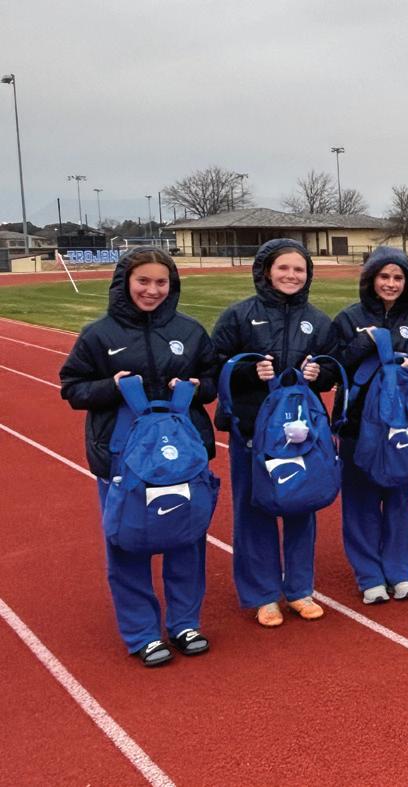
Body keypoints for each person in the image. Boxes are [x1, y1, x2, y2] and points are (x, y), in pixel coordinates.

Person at [60, 248, 218, 667]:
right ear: (124, 283)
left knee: (186, 539)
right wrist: (110, 386)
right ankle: (142, 633)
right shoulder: (99, 335)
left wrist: (195, 386)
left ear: (172, 285)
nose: (152, 290)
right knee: (127, 543)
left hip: (183, 456)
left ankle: (185, 623)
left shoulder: (189, 330)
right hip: (122, 458)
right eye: (143, 281)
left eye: (161, 282)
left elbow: (212, 382)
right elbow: (72, 388)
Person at [212, 239, 337, 627]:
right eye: (283, 268)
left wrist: (321, 373)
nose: (291, 275)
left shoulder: (318, 321)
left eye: (299, 269)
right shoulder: (239, 316)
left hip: (302, 432)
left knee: (301, 506)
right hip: (252, 429)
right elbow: (214, 367)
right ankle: (263, 595)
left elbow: (332, 371)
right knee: (254, 509)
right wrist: (248, 372)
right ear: (266, 271)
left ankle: (299, 589)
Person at [332, 247, 408, 604]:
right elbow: (334, 366)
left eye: (398, 277)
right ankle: (369, 575)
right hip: (359, 423)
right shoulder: (349, 318)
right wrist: (364, 342)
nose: (391, 284)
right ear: (371, 279)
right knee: (360, 501)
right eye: (384, 276)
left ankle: (401, 571)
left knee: (400, 498)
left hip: (403, 424)